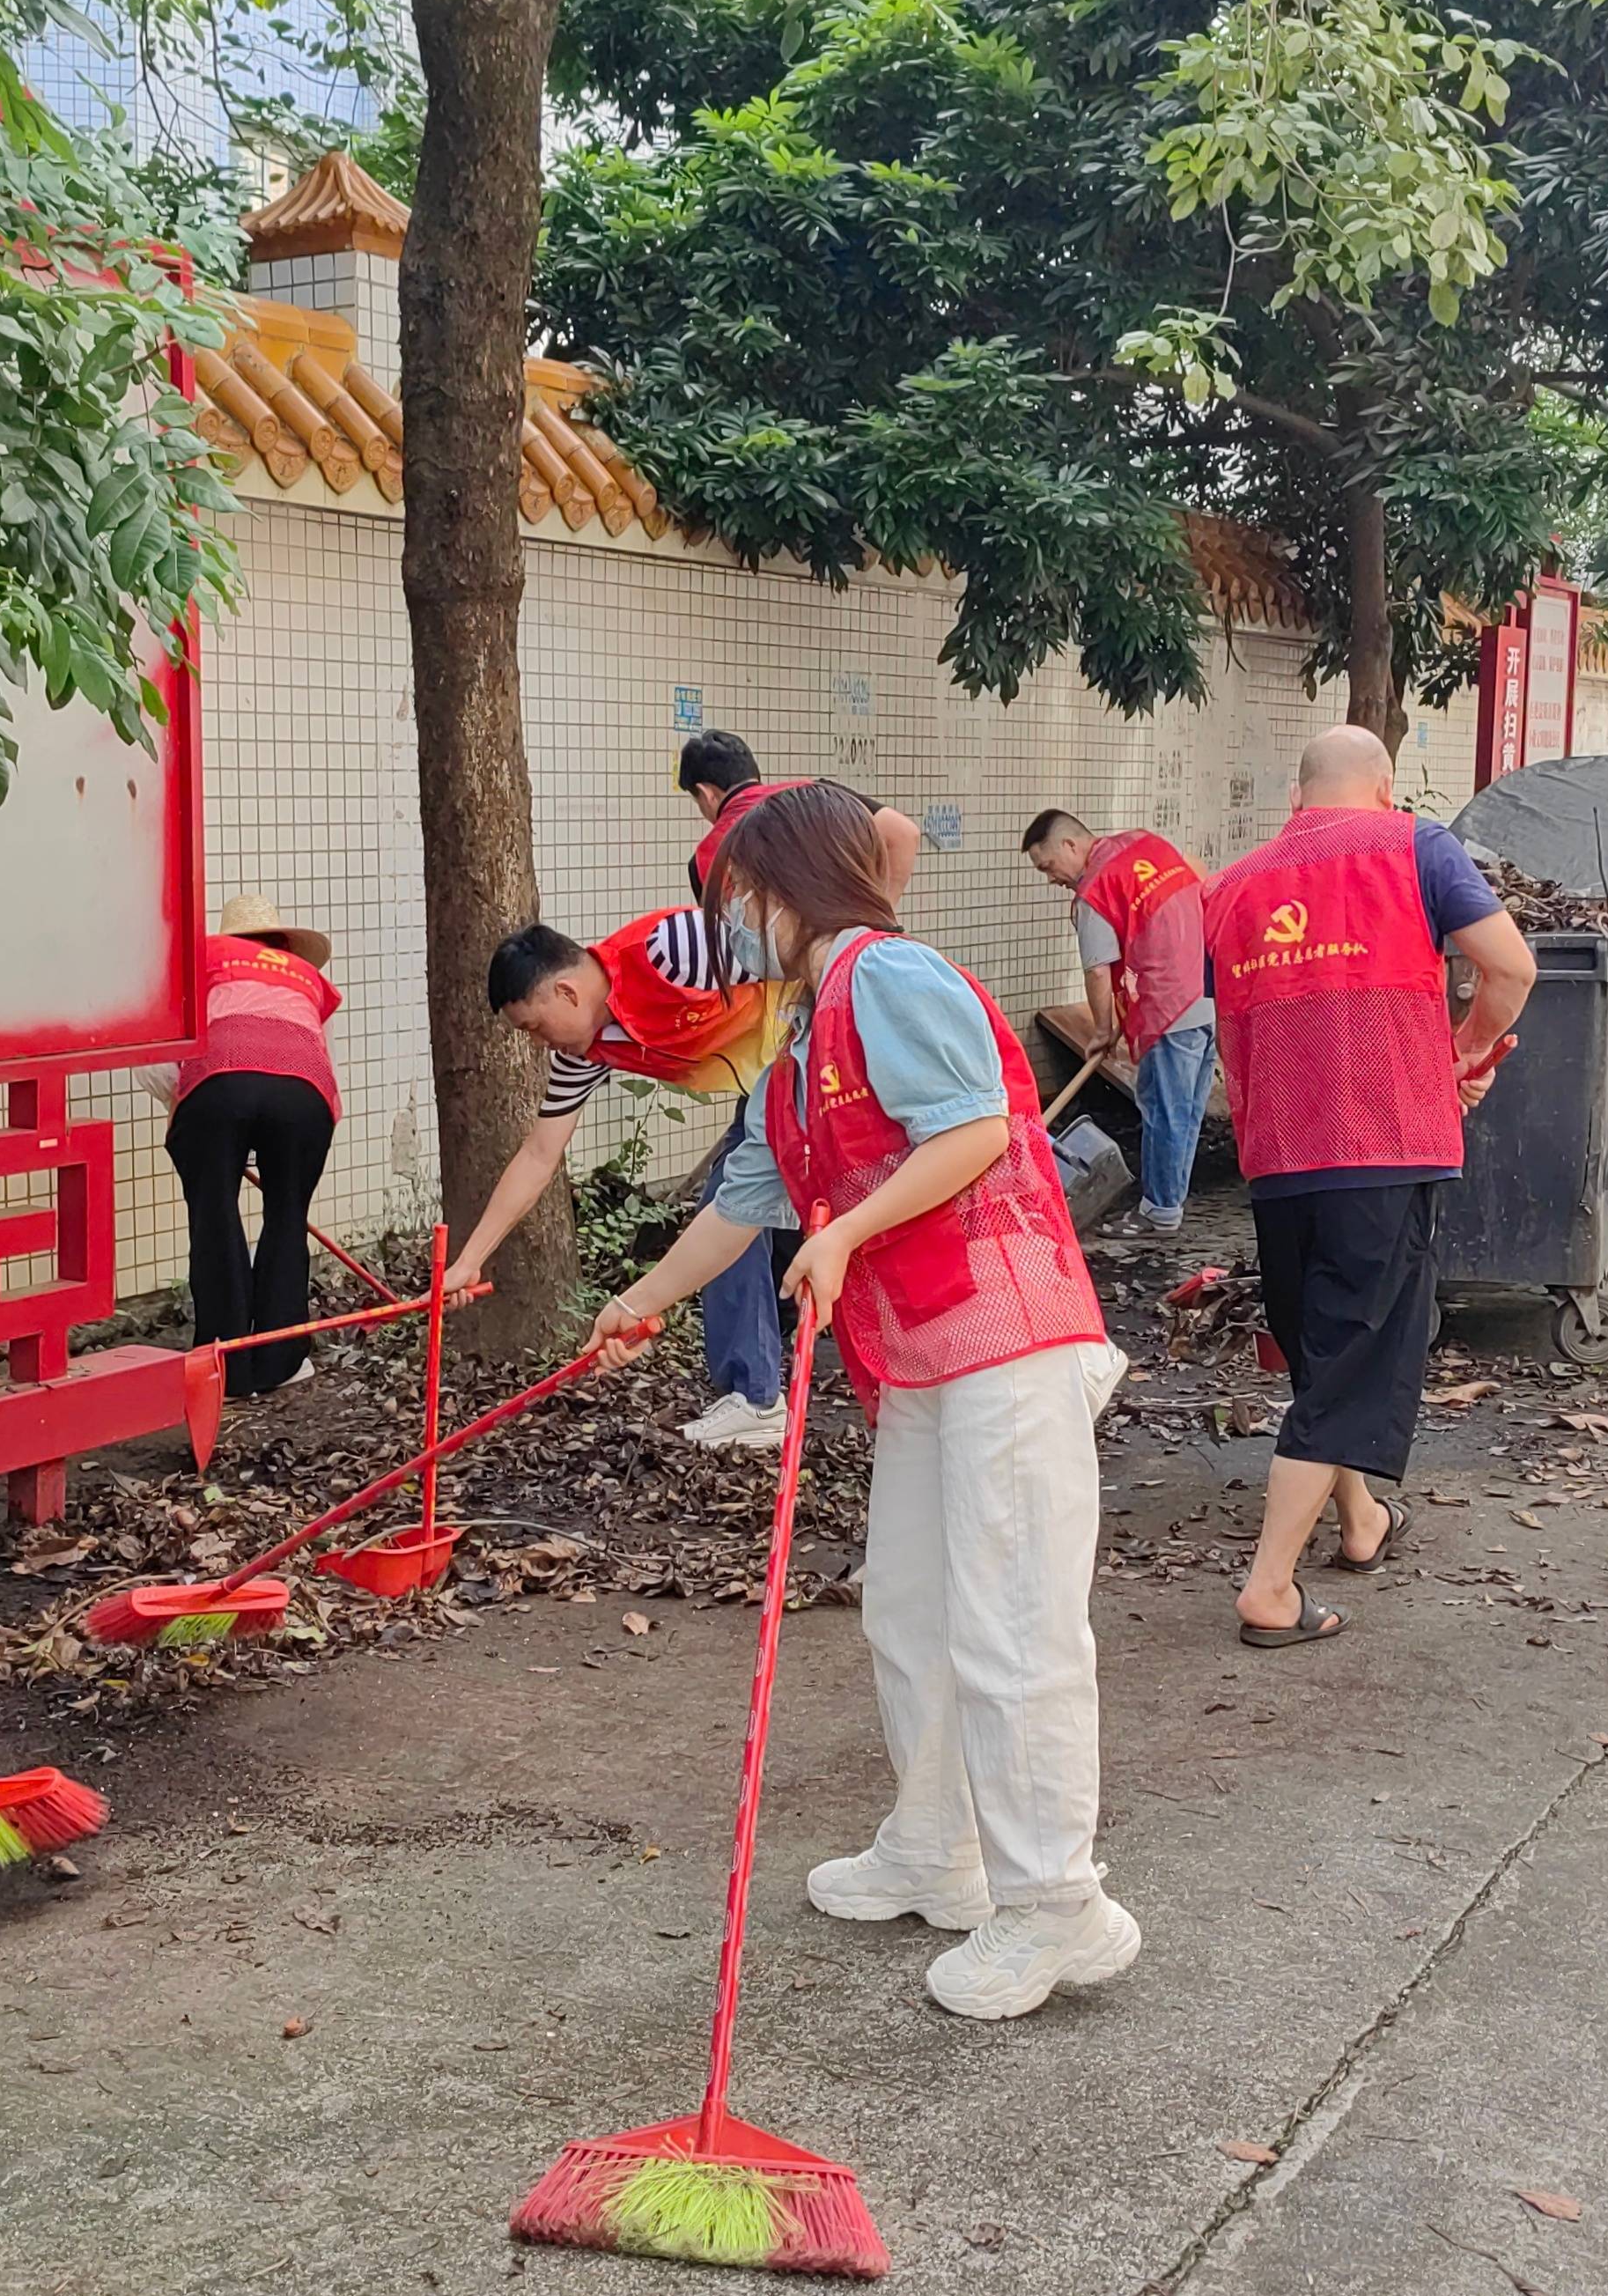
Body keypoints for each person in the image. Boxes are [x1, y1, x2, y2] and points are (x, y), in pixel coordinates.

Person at [588, 783, 1138, 2019]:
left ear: (782, 889)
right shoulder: (798, 1034)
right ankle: (936, 1844)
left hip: (1003, 1334)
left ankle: (1056, 1903)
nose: (724, 929)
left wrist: (845, 1240)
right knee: (908, 1608)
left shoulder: (887, 976)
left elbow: (975, 1131)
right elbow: (744, 1198)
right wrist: (645, 1300)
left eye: (731, 898)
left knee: (1012, 1627)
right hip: (926, 1355)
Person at [1206, 727, 1534, 1650]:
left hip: (1277, 1157)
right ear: (1384, 786)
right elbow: (1510, 967)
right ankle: (1269, 1587)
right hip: (1380, 1146)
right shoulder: (1415, 845)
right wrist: (1463, 1048)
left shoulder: (1229, 888)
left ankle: (1360, 1523)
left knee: (1320, 1348)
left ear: (1296, 794)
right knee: (1353, 1357)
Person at [455, 903, 794, 1446]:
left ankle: (761, 1395)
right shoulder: (583, 1054)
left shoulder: (672, 951)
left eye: (536, 1028)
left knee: (734, 1205)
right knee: (735, 1207)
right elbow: (541, 1154)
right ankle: (756, 1394)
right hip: (769, 1091)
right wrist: (469, 1260)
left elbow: (800, 951)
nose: (541, 1045)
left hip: (814, 1064)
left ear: (566, 993)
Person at [164, 895, 342, 1396]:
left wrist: (189, 1111)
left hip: (220, 1084)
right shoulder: (306, 977)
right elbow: (319, 1058)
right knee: (286, 1217)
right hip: (304, 1092)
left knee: (214, 1216)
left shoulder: (199, 962)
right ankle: (281, 1361)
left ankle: (226, 1366)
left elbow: (159, 1058)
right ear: (284, 944)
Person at [1022, 809, 1215, 1234]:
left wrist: (1104, 1031)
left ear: (1070, 846)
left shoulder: (1096, 890)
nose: (1051, 879)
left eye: (1048, 866)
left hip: (1168, 1005)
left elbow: (1096, 970)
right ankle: (1169, 1201)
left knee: (1166, 1111)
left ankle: (1161, 1210)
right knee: (1183, 1109)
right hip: (1206, 992)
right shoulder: (1145, 844)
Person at [679, 729, 923, 906]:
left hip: (765, 976)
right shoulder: (818, 794)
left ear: (706, 793)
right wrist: (880, 921)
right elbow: (903, 834)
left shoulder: (705, 861)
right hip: (841, 959)